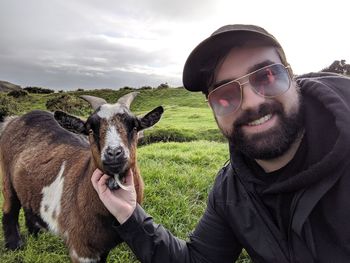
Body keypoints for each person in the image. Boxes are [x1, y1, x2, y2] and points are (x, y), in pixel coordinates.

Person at [91, 24, 350, 262]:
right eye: (225, 94)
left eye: (267, 77)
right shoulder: (232, 190)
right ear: (212, 107)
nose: (251, 102)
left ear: (292, 77)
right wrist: (129, 214)